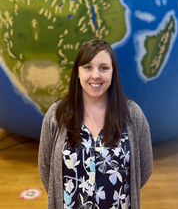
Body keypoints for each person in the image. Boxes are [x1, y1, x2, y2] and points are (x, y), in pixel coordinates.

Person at [38, 39, 153, 209]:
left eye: (104, 68)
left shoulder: (132, 115)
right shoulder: (57, 115)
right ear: (77, 72)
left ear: (113, 72)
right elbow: (46, 167)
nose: (96, 75)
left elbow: (144, 167)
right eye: (88, 67)